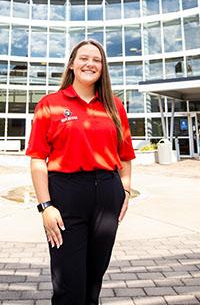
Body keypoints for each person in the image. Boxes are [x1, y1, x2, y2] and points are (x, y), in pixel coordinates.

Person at [26, 39, 135, 305]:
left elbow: (126, 156)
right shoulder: (50, 104)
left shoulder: (115, 106)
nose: (90, 64)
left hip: (108, 194)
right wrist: (45, 206)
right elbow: (38, 159)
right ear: (72, 64)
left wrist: (126, 191)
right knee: (68, 284)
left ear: (103, 67)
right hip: (66, 195)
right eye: (84, 58)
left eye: (96, 60)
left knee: (94, 280)